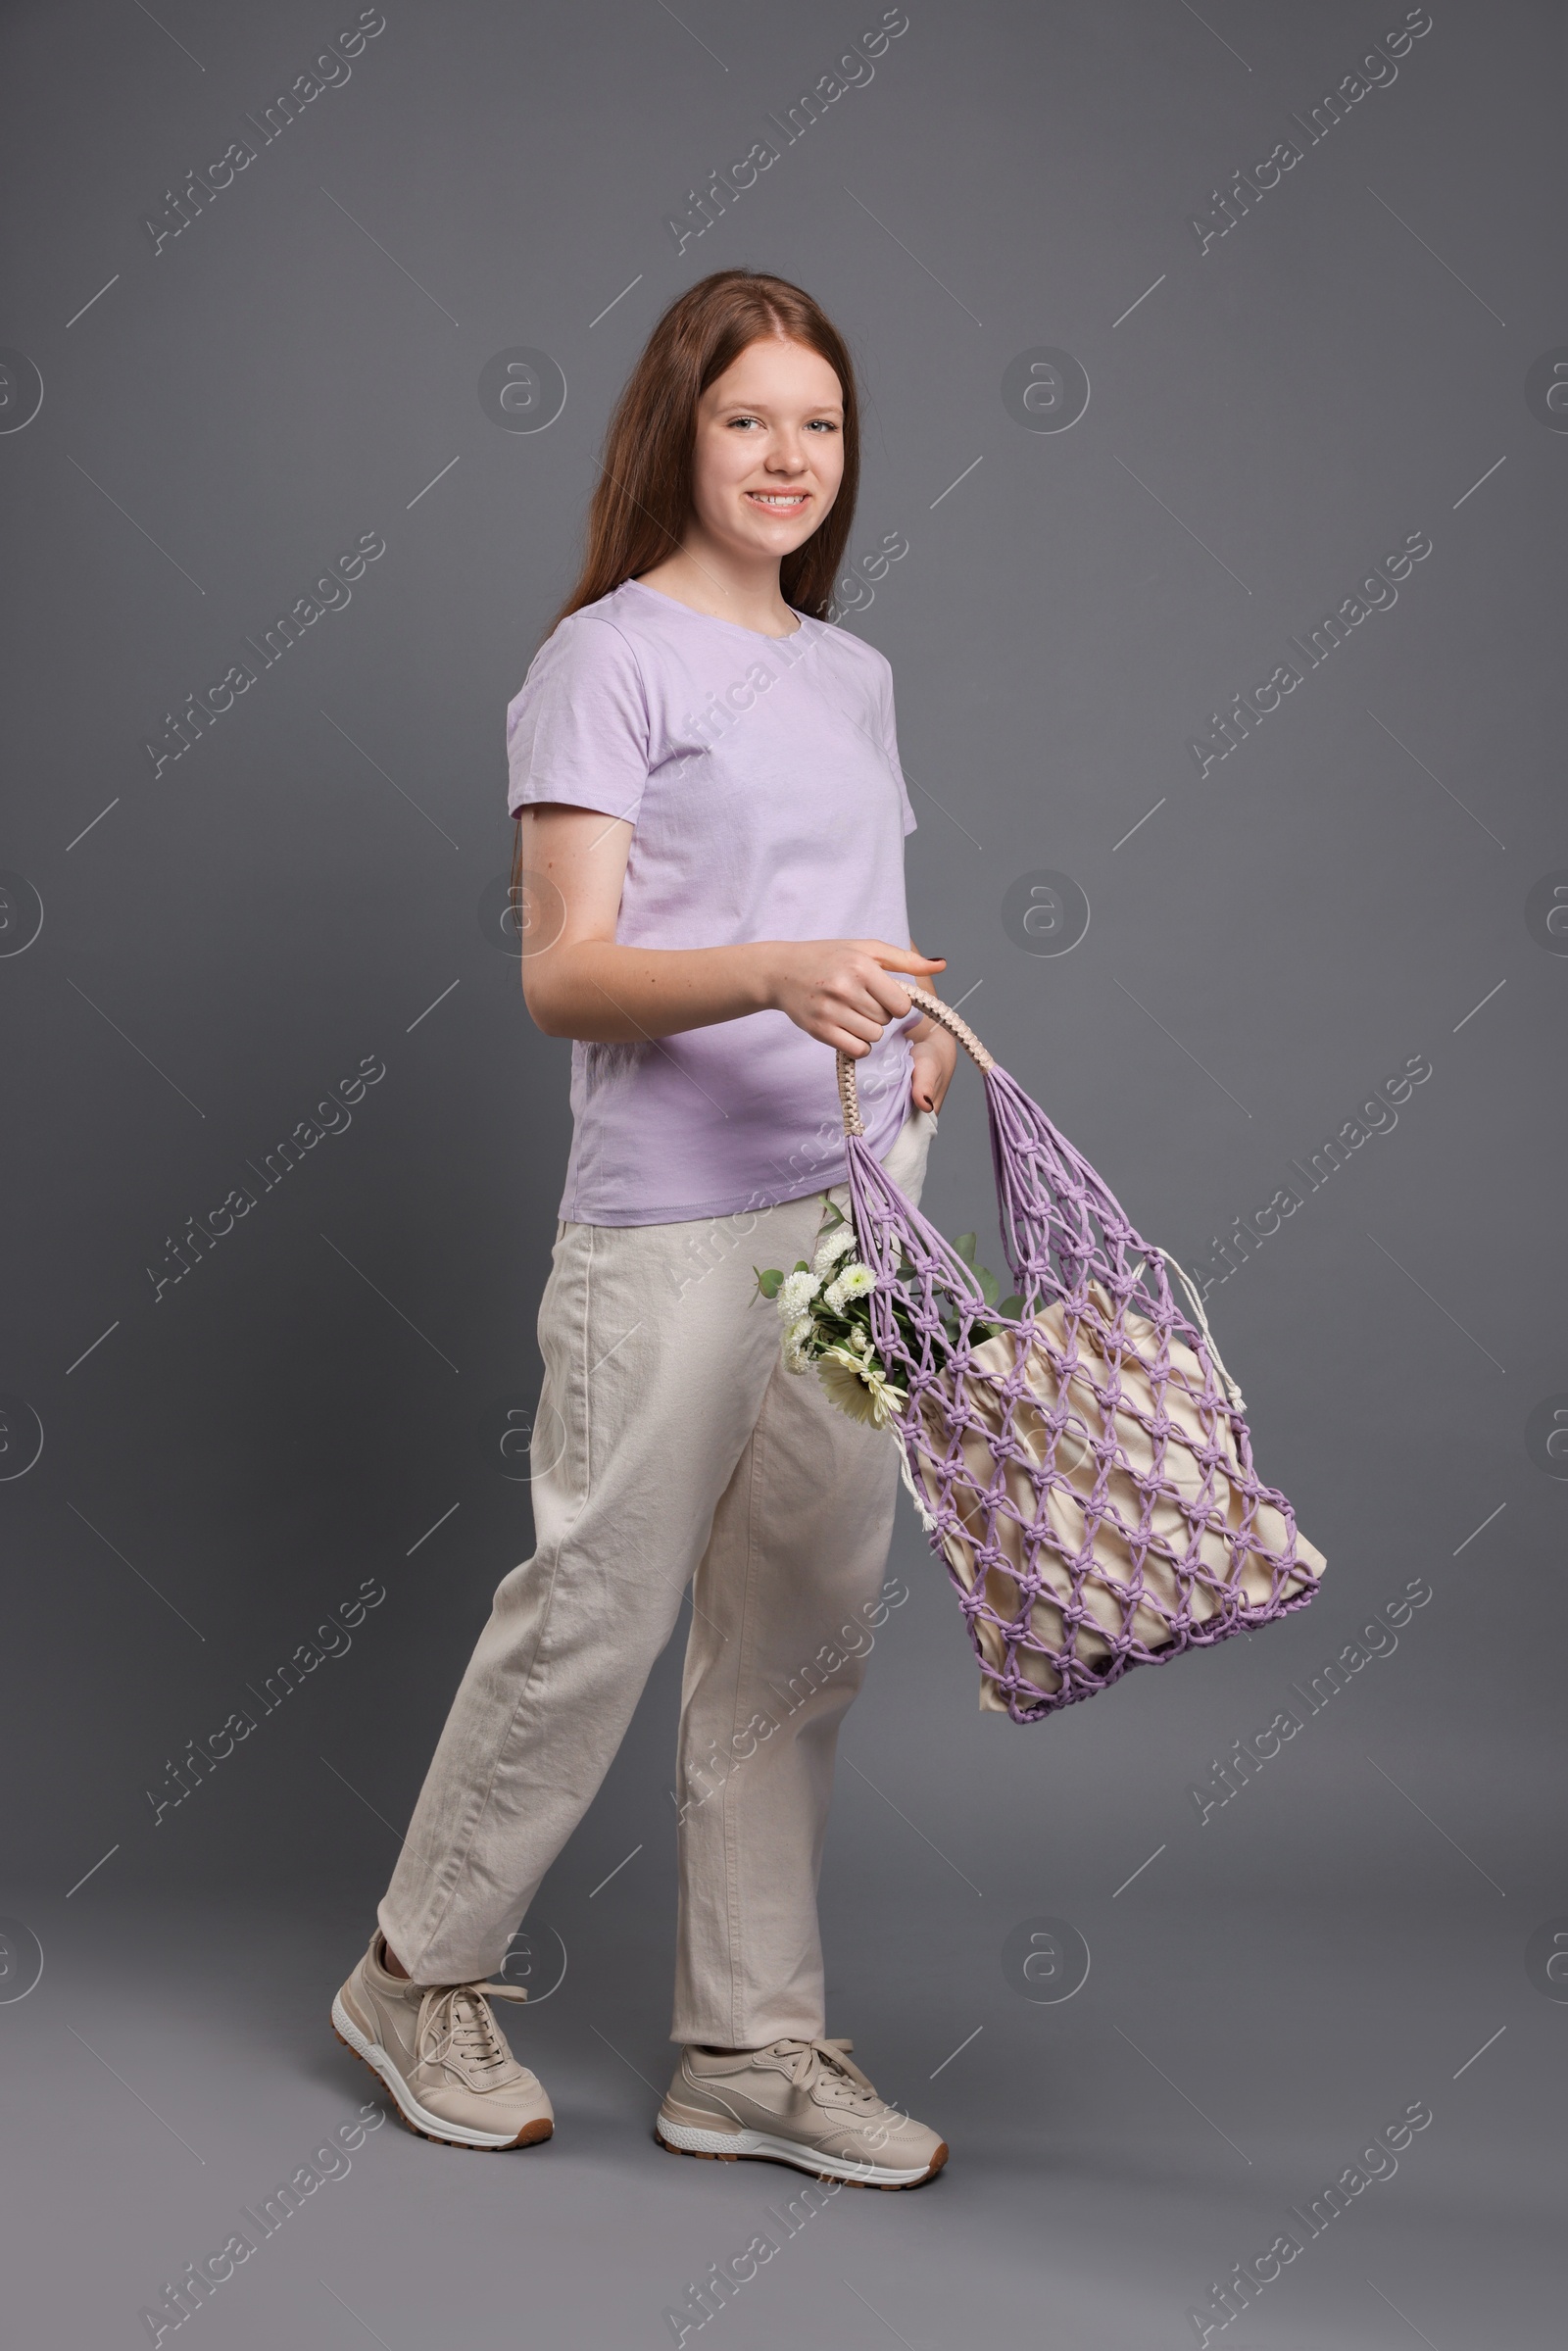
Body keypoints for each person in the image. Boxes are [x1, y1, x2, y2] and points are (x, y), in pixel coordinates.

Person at [331, 269, 957, 2187]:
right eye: (747, 419)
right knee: (594, 1615)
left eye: (819, 426)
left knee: (803, 1633)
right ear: (677, 433)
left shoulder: (848, 674)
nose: (786, 458)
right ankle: (411, 1969)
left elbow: (857, 920)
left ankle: (747, 2054)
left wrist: (915, 1027)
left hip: (867, 1221)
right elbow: (565, 978)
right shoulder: (603, 660)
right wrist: (773, 972)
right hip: (670, 1226)